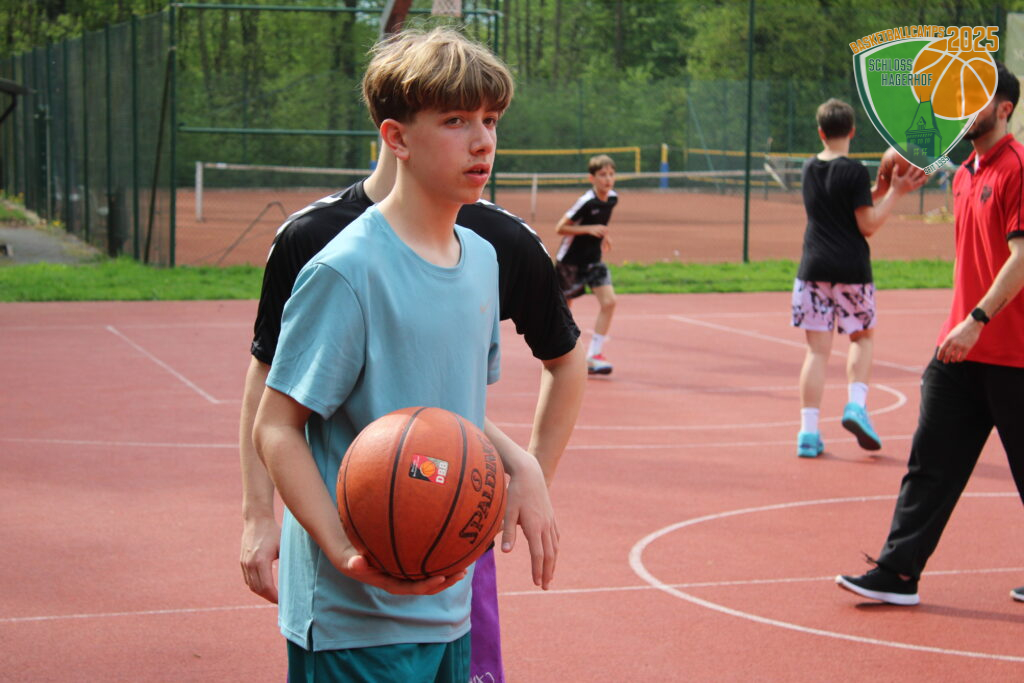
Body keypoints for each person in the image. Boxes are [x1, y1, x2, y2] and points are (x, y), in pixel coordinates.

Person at [251, 27, 561, 681]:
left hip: (447, 601)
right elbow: (275, 426)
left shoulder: (482, 261)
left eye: (490, 119)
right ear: (396, 138)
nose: (482, 141)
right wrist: (343, 549)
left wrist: (521, 461)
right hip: (352, 618)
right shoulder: (347, 270)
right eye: (455, 121)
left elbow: (444, 408)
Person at [837, 62, 1024, 605]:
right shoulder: (966, 173)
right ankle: (898, 573)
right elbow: (910, 160)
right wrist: (889, 172)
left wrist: (978, 319)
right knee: (930, 465)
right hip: (960, 352)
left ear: (1004, 109)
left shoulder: (1017, 168)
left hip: (1013, 353)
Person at [792, 98, 925, 458]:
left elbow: (846, 203)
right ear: (852, 131)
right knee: (861, 338)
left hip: (813, 268)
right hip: (851, 268)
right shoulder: (852, 171)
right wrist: (895, 192)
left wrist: (878, 190)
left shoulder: (808, 168)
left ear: (821, 132)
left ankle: (808, 434)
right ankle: (856, 406)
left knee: (816, 352)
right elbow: (866, 224)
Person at [554, 154, 619, 376]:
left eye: (611, 174)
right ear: (592, 178)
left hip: (593, 261)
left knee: (609, 302)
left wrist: (604, 235)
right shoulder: (586, 201)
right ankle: (562, 353)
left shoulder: (612, 199)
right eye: (602, 175)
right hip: (570, 262)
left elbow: (601, 221)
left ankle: (595, 354)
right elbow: (560, 228)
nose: (607, 179)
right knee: (564, 311)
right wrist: (588, 229)